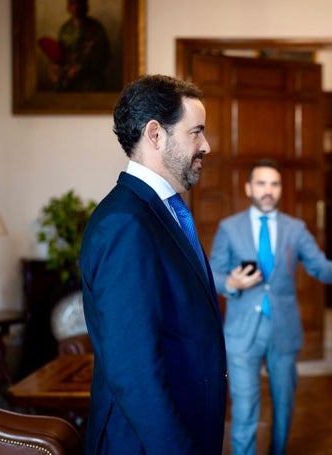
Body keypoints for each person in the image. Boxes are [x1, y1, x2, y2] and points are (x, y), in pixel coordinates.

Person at [80, 74, 227, 454]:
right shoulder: (125, 223)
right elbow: (134, 369)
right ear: (156, 134)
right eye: (196, 132)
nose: (206, 145)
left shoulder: (159, 212)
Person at [210, 159, 332, 455]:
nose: (268, 190)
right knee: (245, 406)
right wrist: (231, 283)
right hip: (241, 333)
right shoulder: (229, 228)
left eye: (274, 184)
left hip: (283, 330)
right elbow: (211, 273)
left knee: (284, 403)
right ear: (249, 187)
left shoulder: (295, 228)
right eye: (262, 183)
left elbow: (318, 265)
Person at [52, 0, 110, 91]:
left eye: (79, 3)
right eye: (73, 4)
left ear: (85, 6)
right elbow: (59, 54)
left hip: (91, 80)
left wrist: (81, 68)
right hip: (68, 80)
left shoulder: (96, 28)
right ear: (68, 7)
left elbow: (103, 55)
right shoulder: (65, 29)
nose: (76, 7)